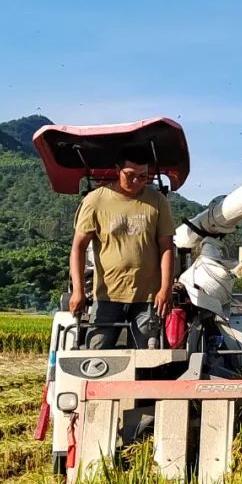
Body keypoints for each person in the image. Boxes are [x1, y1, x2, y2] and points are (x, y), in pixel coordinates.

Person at [68, 150, 175, 349]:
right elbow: (78, 248)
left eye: (143, 176)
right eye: (130, 175)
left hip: (148, 298)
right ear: (118, 170)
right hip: (107, 296)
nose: (136, 181)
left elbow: (167, 247)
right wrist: (78, 291)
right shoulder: (95, 200)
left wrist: (165, 289)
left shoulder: (158, 201)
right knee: (97, 353)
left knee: (147, 357)